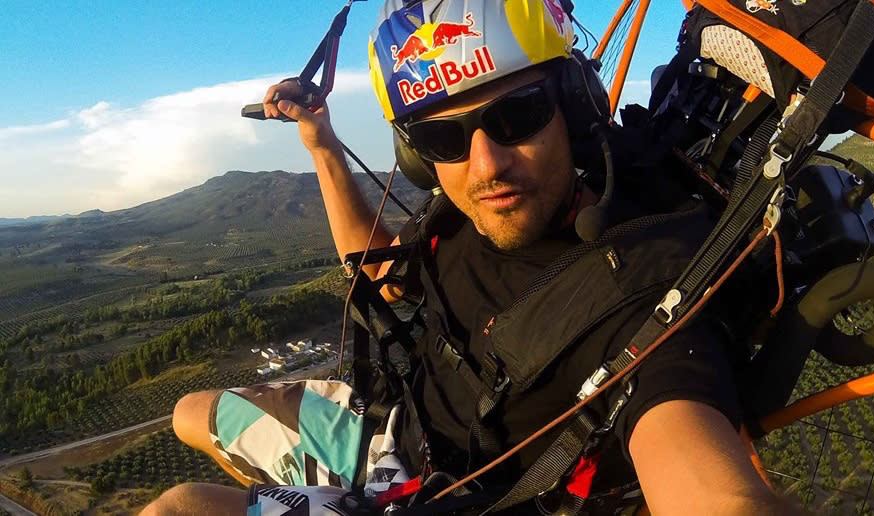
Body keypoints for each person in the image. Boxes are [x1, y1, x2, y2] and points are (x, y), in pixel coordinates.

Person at [142, 1, 800, 514]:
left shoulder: (644, 288)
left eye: (518, 114)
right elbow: (383, 279)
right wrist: (320, 142)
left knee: (182, 508)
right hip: (398, 433)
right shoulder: (462, 212)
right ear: (416, 155)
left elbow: (709, 487)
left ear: (572, 107)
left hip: (460, 502)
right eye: (442, 136)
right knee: (187, 414)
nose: (486, 163)